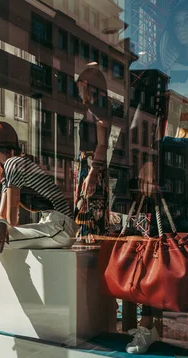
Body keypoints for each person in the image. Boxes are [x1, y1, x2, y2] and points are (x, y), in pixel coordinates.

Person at [0, 121, 75, 334]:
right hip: (52, 223)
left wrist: (2, 225)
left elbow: (12, 217)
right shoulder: (10, 167)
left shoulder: (14, 163)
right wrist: (0, 224)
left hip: (60, 225)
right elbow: (3, 213)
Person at [73, 67, 110, 243]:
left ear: (87, 86)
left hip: (92, 167)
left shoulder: (99, 110)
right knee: (84, 212)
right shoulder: (92, 110)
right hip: (87, 166)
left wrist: (92, 173)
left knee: (90, 214)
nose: (78, 92)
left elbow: (102, 144)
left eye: (79, 87)